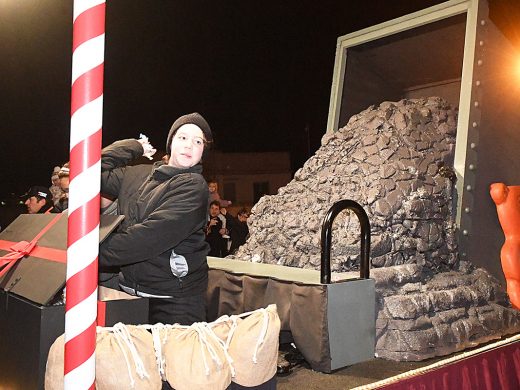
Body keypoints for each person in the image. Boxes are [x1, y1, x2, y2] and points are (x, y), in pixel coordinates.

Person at [98, 112, 212, 326]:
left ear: (203, 151)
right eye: (183, 137)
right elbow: (88, 172)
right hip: (129, 295)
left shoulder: (193, 186)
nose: (189, 145)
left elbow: (147, 238)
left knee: (173, 360)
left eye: (198, 142)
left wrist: (90, 253)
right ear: (171, 143)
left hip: (173, 302)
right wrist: (134, 146)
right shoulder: (136, 175)